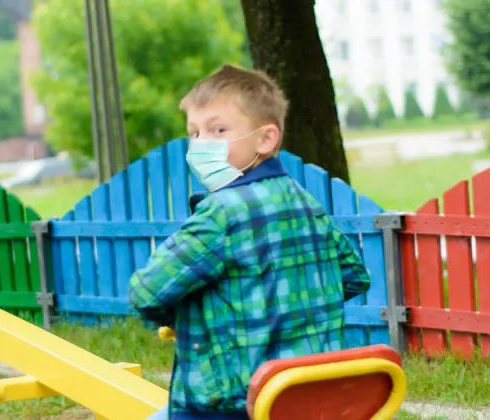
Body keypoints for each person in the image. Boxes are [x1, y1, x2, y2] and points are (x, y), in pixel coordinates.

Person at [128, 64, 371, 420]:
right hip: (306, 394)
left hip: (232, 402)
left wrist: (189, 314)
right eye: (194, 133)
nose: (201, 145)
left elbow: (147, 292)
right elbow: (353, 275)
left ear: (266, 138)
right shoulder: (307, 204)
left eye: (218, 129)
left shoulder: (221, 214)